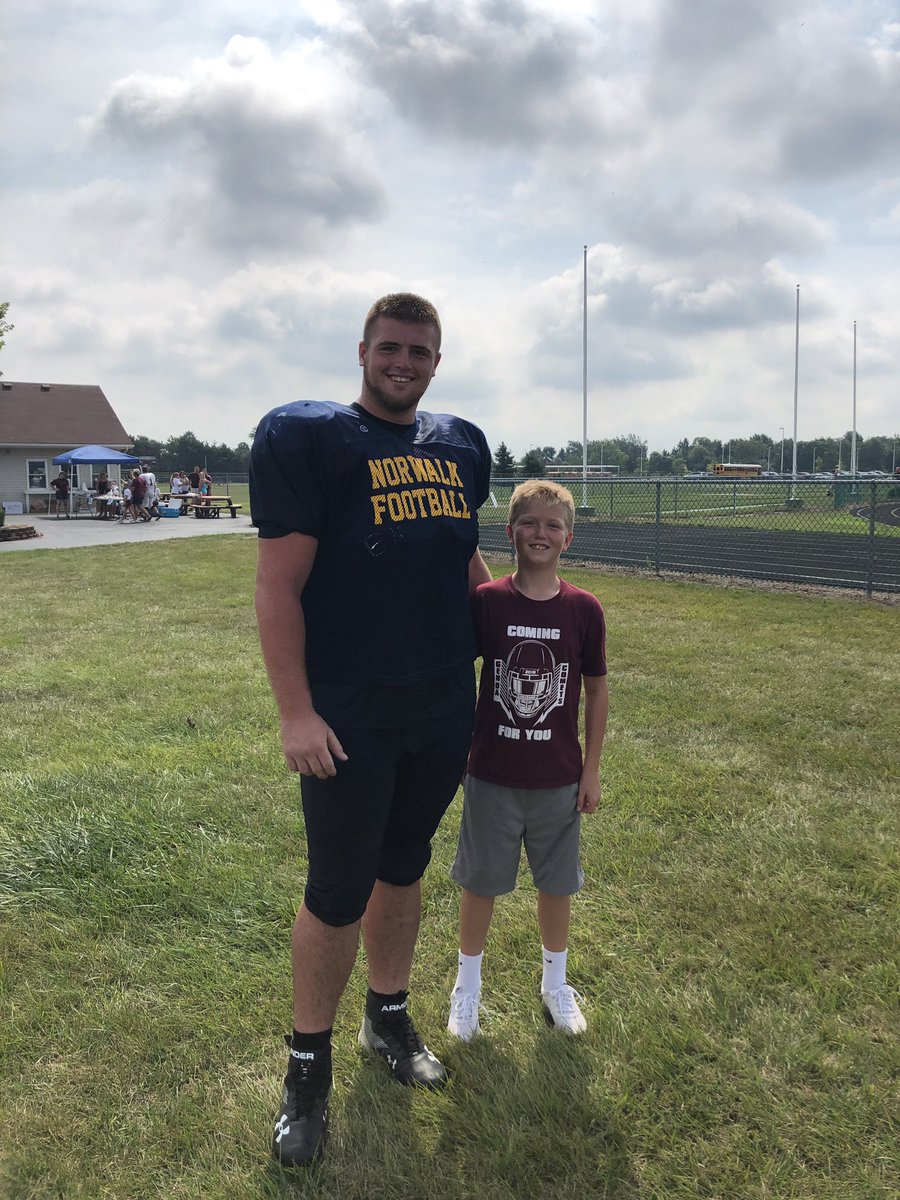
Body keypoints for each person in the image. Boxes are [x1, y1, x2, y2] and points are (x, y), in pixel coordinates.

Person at [250, 292, 492, 1169]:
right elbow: (278, 586)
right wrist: (296, 711)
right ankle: (306, 1068)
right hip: (351, 712)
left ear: (437, 362)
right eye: (390, 347)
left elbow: (464, 560)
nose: (403, 363)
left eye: (419, 352)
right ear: (362, 352)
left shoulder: (458, 445)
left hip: (442, 700)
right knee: (337, 887)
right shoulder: (314, 437)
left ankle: (387, 1016)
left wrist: (524, 630)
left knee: (405, 864)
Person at [447, 480, 608, 1041]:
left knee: (556, 884)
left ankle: (555, 983)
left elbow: (596, 691)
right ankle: (467, 987)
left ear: (568, 537)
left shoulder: (584, 609)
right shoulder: (487, 602)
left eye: (552, 525)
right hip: (492, 772)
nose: (541, 533)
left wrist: (590, 770)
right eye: (529, 523)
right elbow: (454, 674)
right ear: (510, 531)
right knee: (481, 883)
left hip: (557, 777)